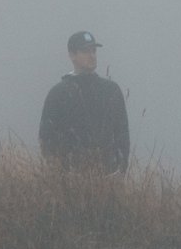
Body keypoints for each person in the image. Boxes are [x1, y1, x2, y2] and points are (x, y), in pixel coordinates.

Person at [38, 29, 129, 172]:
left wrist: (120, 171)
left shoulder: (111, 90)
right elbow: (46, 139)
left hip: (108, 180)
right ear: (72, 55)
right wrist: (59, 174)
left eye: (94, 51)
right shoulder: (58, 94)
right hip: (69, 183)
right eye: (86, 51)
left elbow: (122, 135)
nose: (92, 56)